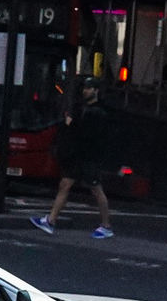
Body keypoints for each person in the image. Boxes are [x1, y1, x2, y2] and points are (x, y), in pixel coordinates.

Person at [33, 80, 116, 238]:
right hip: (78, 155)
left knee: (96, 189)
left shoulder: (98, 112)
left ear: (96, 91)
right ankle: (50, 221)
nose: (86, 91)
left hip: (89, 156)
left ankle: (106, 225)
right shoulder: (85, 109)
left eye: (89, 88)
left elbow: (88, 134)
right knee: (65, 184)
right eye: (85, 88)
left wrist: (71, 125)